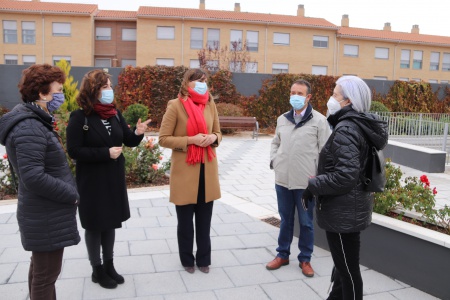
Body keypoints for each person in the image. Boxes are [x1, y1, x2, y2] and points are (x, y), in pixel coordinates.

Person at [303, 76, 388, 300]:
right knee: (343, 267)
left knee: (348, 272)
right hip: (350, 208)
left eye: (335, 94)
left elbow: (346, 175)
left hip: (343, 212)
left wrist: (313, 185)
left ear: (348, 101)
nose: (331, 97)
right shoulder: (356, 125)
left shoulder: (346, 129)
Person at [0, 64, 80, 300]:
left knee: (40, 271)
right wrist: (71, 194)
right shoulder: (30, 126)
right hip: (45, 214)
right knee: (46, 276)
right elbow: (33, 176)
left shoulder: (35, 119)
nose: (62, 95)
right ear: (43, 94)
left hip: (45, 212)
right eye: (58, 90)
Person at [66, 70, 150, 289]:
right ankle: (97, 269)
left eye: (110, 85)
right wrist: (104, 153)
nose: (110, 90)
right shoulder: (79, 117)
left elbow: (129, 140)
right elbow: (74, 150)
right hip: (92, 181)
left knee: (110, 222)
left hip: (112, 178)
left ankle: (109, 265)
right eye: (105, 86)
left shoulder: (114, 114)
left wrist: (138, 132)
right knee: (95, 225)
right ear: (93, 90)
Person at [159, 68, 221, 274]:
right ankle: (186, 259)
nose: (202, 83)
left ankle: (204, 259)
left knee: (204, 222)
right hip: (186, 172)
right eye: (197, 80)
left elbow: (218, 132)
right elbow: (163, 138)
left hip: (207, 171)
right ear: (187, 84)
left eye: (204, 80)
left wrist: (213, 138)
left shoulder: (210, 104)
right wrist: (190, 141)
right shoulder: (175, 106)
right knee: (185, 224)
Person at [266, 79, 331, 277]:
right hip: (283, 181)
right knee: (285, 220)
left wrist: (318, 179)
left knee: (305, 223)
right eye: (293, 92)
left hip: (305, 184)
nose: (295, 96)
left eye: (300, 93)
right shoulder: (282, 119)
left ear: (308, 97)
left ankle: (305, 259)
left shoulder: (319, 121)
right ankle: (283, 254)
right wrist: (274, 161)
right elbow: (275, 143)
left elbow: (326, 152)